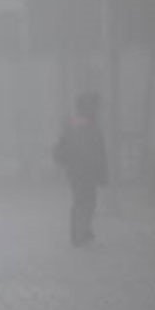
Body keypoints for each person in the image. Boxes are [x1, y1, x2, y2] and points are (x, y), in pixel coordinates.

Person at [54, 91, 108, 248]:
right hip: (82, 170)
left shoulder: (80, 122)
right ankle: (80, 236)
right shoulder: (83, 123)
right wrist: (99, 169)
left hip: (79, 169)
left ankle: (82, 233)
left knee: (85, 201)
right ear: (87, 107)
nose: (97, 110)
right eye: (95, 106)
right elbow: (92, 148)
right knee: (84, 202)